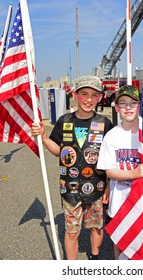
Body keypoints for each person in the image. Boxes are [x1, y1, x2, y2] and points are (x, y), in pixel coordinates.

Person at [31, 75, 113, 260]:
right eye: (84, 94)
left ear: (100, 98)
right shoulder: (64, 120)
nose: (89, 99)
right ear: (75, 95)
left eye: (94, 95)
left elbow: (111, 158)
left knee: (96, 226)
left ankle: (94, 256)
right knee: (71, 231)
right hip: (70, 187)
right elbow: (58, 151)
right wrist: (44, 137)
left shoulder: (105, 123)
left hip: (97, 187)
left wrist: (108, 185)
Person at [96, 85, 143, 260]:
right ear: (117, 107)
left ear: (140, 106)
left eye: (133, 103)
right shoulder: (112, 136)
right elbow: (110, 171)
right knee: (120, 245)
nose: (128, 107)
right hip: (120, 203)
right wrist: (133, 174)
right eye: (123, 103)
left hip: (142, 202)